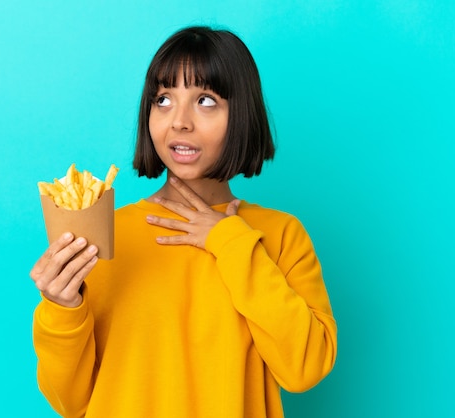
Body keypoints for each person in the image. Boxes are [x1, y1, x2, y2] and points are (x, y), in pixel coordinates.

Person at [30, 26, 337, 418]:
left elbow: (306, 367)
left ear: (242, 114)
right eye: (163, 100)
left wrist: (228, 240)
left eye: (205, 100)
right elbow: (70, 402)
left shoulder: (279, 236)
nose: (179, 121)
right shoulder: (106, 235)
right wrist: (62, 307)